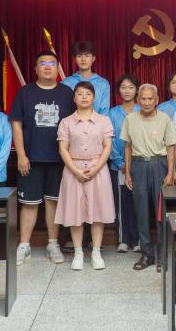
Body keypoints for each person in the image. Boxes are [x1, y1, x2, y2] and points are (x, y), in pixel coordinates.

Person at [10, 52, 75, 266]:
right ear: (36, 68)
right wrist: (21, 155)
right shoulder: (25, 92)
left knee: (53, 202)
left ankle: (53, 244)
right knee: (29, 204)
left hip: (59, 160)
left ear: (58, 68)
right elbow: (16, 124)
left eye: (52, 63)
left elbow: (75, 124)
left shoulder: (67, 93)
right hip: (30, 159)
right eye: (43, 63)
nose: (47, 67)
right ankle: (24, 246)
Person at [55, 82, 115, 270]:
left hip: (98, 168)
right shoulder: (66, 122)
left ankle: (96, 252)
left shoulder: (104, 120)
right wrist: (75, 170)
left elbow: (107, 147)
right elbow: (63, 149)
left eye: (88, 94)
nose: (84, 97)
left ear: (93, 98)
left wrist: (96, 168)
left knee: (97, 212)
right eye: (80, 94)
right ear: (74, 98)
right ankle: (78, 253)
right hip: (73, 169)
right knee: (75, 213)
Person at [121, 84, 176, 271]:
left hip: (159, 165)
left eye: (150, 99)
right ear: (138, 100)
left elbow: (171, 147)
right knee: (141, 212)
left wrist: (170, 172)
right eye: (143, 99)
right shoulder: (130, 119)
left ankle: (161, 256)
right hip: (138, 166)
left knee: (160, 213)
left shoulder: (164, 119)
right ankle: (147, 255)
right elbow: (127, 147)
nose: (146, 102)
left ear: (157, 100)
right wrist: (128, 172)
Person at [108, 74, 140, 253]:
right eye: (123, 87)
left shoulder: (143, 110)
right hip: (119, 166)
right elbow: (110, 140)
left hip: (140, 166)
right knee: (121, 204)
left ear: (136, 90)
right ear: (118, 91)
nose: (127, 91)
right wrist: (120, 162)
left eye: (131, 87)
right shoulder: (112, 113)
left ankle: (138, 240)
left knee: (139, 203)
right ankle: (123, 239)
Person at [62, 40, 110, 115]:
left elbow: (104, 112)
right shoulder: (66, 83)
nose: (83, 59)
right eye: (79, 56)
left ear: (93, 58)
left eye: (87, 56)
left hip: (97, 122)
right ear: (75, 59)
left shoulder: (103, 83)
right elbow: (63, 109)